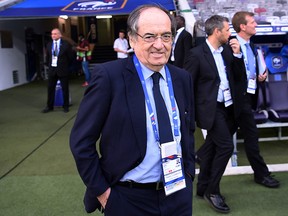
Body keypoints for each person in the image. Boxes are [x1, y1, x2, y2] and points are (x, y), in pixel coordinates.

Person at [70, 4, 195, 216]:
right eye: (149, 36)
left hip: (177, 195)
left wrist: (189, 174)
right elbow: (81, 141)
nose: (159, 45)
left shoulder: (182, 78)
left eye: (166, 36)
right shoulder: (109, 77)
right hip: (128, 199)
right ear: (132, 39)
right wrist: (103, 192)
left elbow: (187, 129)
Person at [184, 15, 244, 213]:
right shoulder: (196, 54)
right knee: (226, 147)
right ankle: (212, 191)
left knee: (211, 148)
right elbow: (187, 85)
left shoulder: (227, 51)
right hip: (210, 109)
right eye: (227, 30)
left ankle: (201, 187)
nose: (230, 33)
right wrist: (189, 114)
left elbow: (237, 77)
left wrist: (237, 56)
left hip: (228, 107)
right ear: (217, 31)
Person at [231, 11, 280, 188]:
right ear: (243, 26)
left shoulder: (250, 46)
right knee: (251, 136)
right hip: (238, 99)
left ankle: (200, 156)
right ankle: (261, 174)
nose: (255, 25)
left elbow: (247, 71)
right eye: (252, 22)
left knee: (219, 137)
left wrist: (258, 76)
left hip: (249, 96)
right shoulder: (233, 45)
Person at [42, 28, 73, 113]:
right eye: (52, 34)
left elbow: (71, 57)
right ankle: (49, 106)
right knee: (50, 88)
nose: (53, 35)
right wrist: (49, 66)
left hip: (63, 70)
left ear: (60, 35)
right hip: (52, 69)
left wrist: (66, 66)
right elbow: (48, 57)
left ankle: (65, 106)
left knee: (65, 88)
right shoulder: (48, 44)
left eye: (55, 34)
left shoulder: (66, 44)